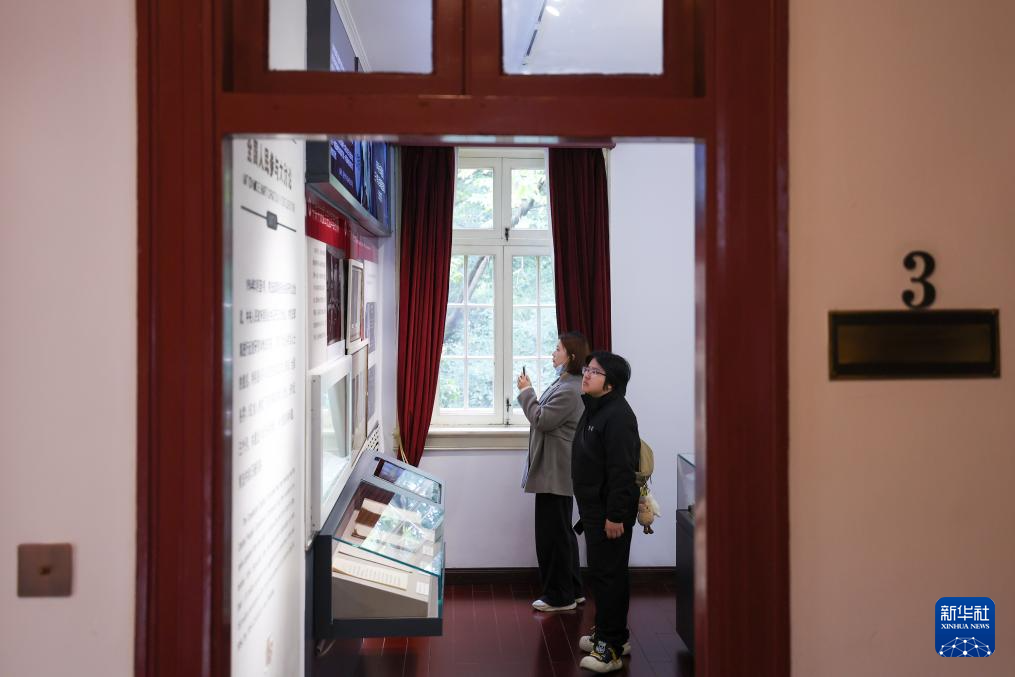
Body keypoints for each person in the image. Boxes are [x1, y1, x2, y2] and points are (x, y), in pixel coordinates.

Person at [571, 351, 640, 673]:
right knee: (604, 574)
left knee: (610, 576)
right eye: (587, 369)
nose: (586, 374)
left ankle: (609, 650)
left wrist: (615, 516)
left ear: (610, 384)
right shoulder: (595, 408)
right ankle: (612, 635)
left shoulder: (618, 416)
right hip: (594, 508)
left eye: (594, 372)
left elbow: (622, 472)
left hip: (609, 513)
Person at [518, 331, 589, 613]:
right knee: (561, 533)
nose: (553, 352)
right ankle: (572, 589)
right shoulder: (566, 382)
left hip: (555, 472)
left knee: (553, 536)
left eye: (557, 349)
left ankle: (560, 596)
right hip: (554, 470)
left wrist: (526, 392)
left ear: (571, 356)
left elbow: (542, 419)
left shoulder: (571, 389)